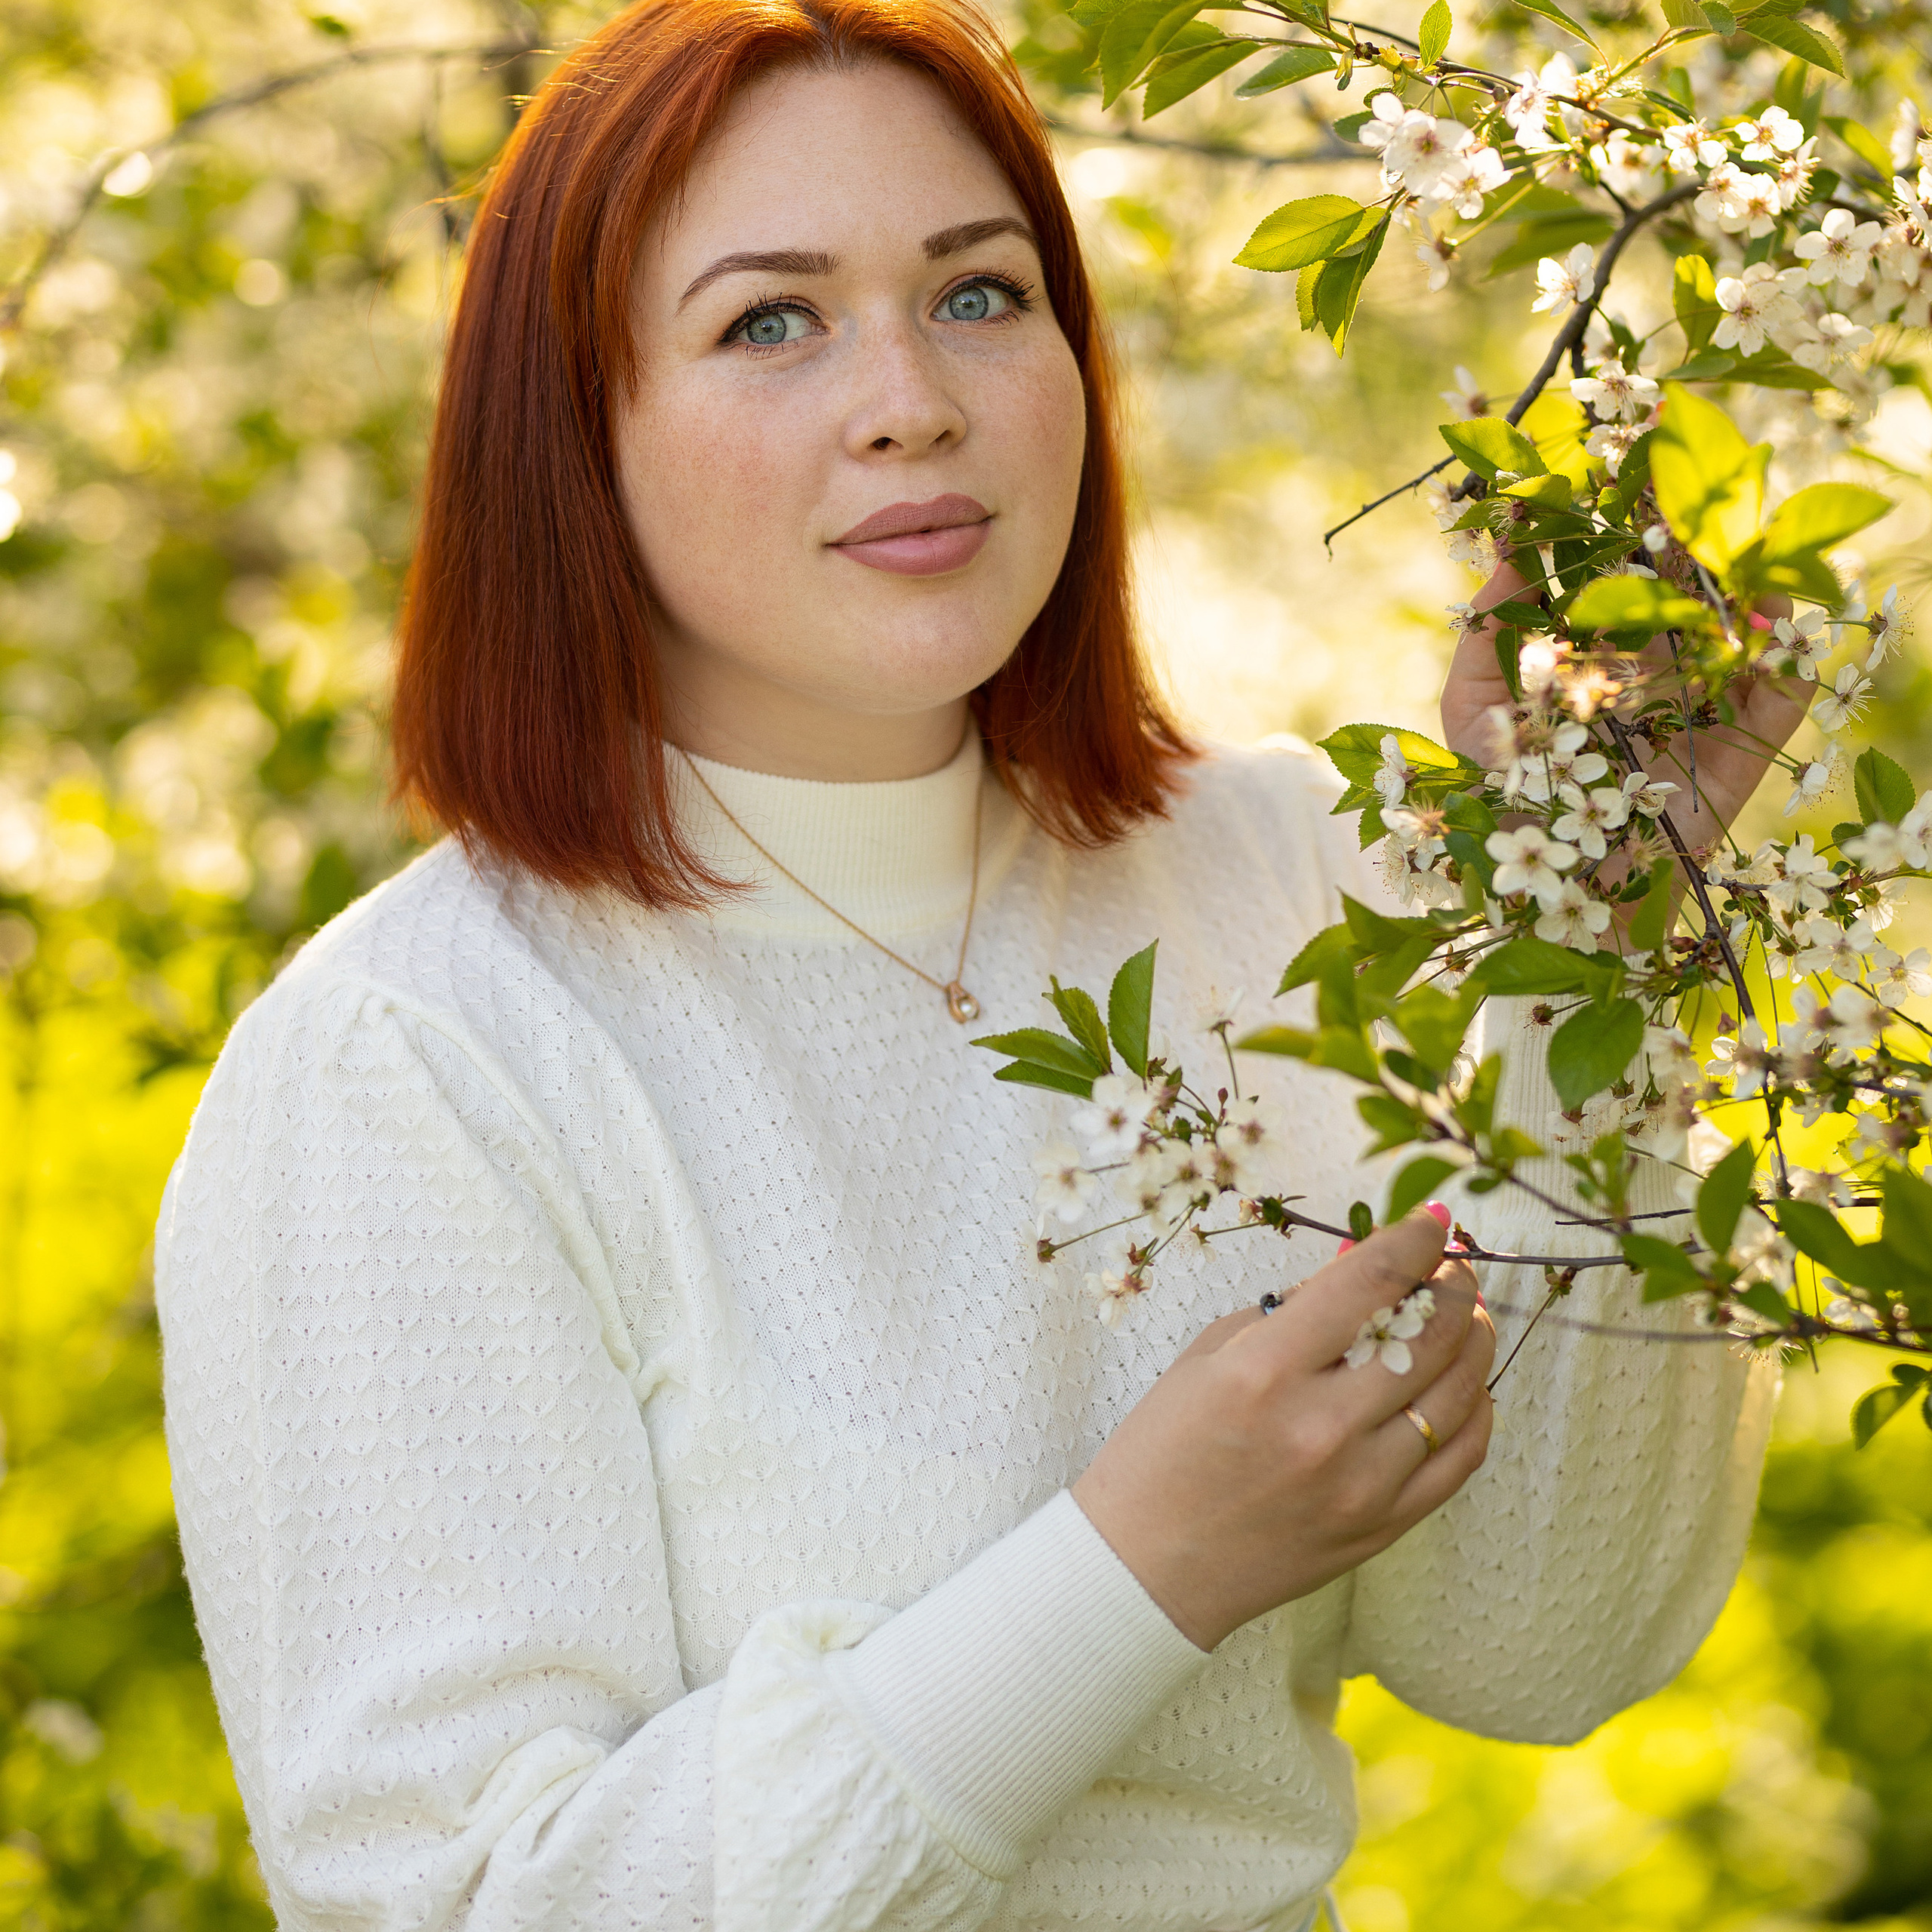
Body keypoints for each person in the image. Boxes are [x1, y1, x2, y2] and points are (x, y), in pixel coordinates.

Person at [154, 1, 1801, 1926]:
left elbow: (1540, 1639)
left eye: (979, 295)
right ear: (570, 433)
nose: (909, 401)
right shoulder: (419, 1058)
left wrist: (1592, 939)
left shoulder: (1285, 876)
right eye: (770, 320)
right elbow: (461, 1902)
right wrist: (1135, 1565)